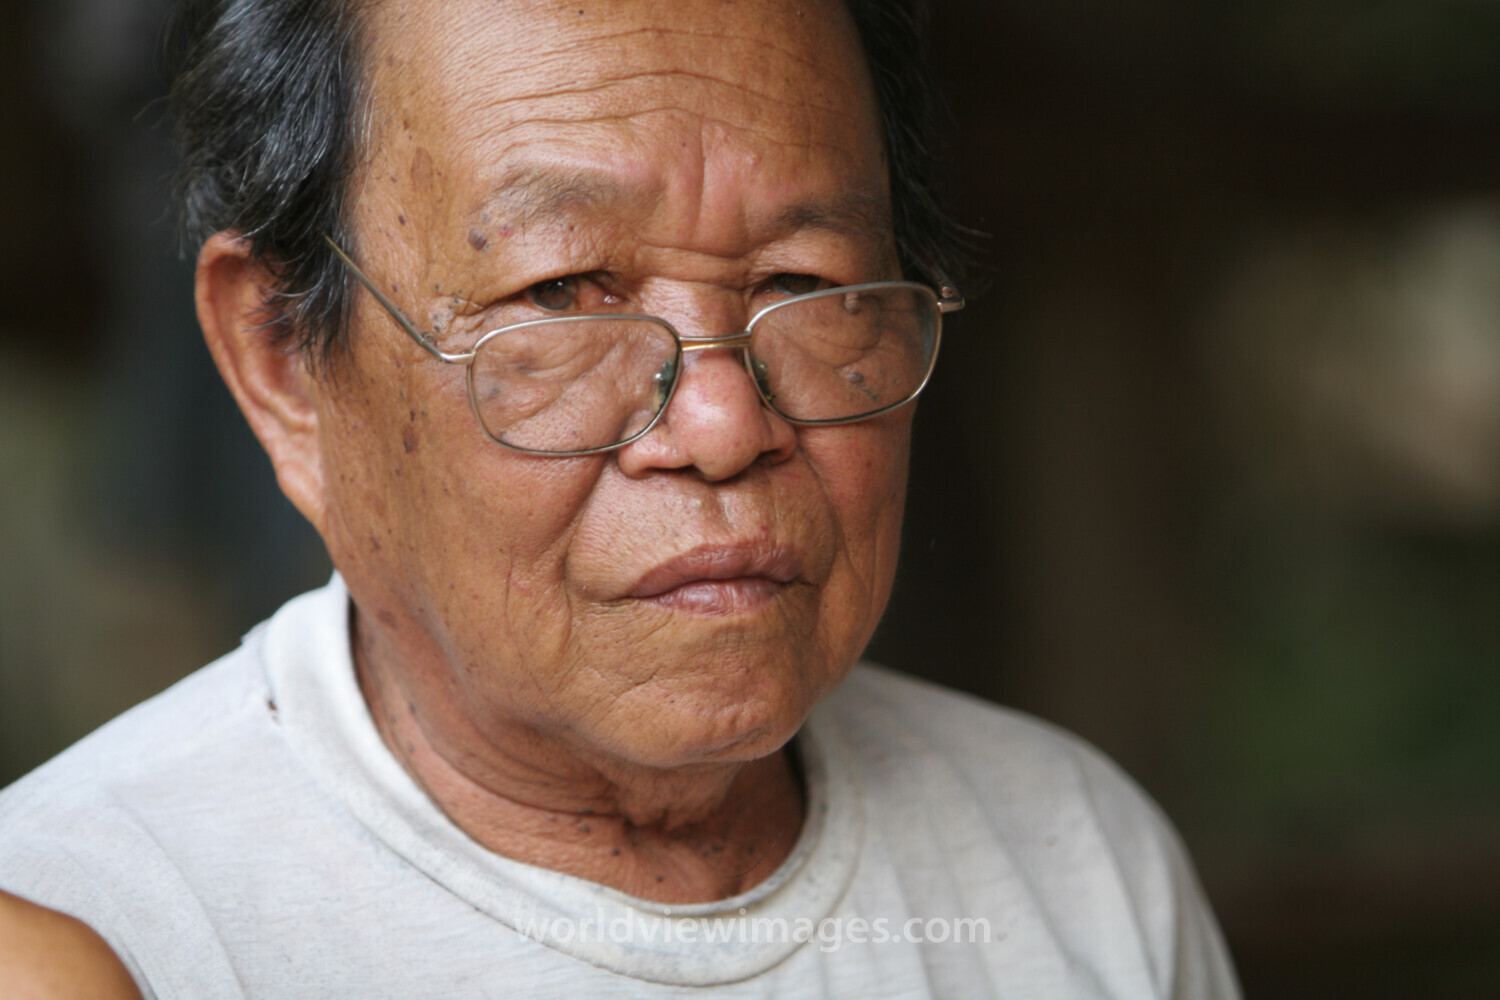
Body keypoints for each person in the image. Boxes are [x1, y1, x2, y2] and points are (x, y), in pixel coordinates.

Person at [0, 0, 1240, 996]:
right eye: (561, 292)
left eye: (805, 281)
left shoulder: (1076, 866)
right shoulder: (95, 928)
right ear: (284, 364)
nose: (724, 425)